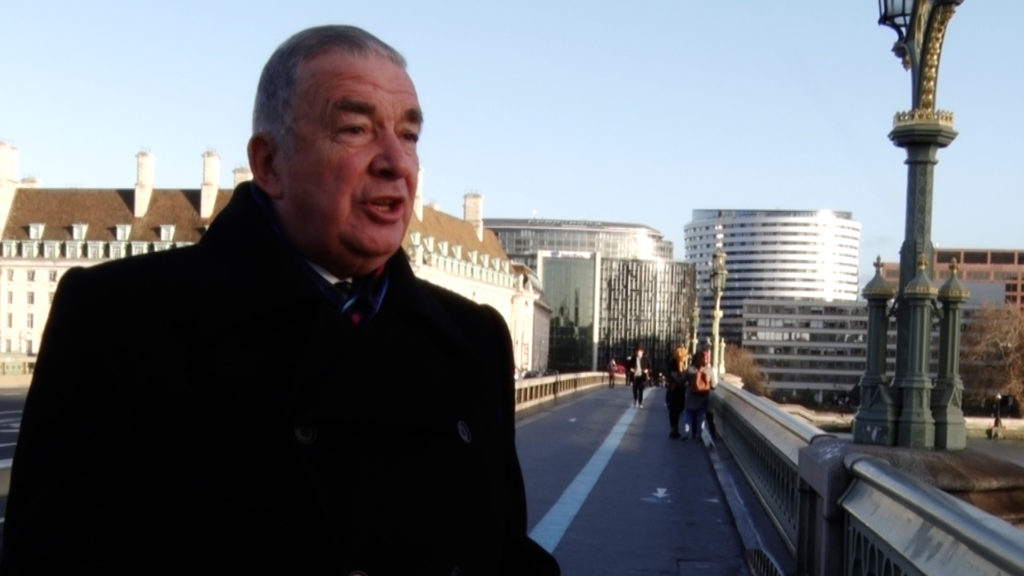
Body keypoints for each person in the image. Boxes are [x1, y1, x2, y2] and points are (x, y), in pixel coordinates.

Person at [0, 25, 560, 575]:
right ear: (269, 165)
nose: (398, 162)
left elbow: (501, 550)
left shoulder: (473, 340)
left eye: (409, 135)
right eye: (356, 129)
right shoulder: (118, 319)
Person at [682, 348, 716, 441]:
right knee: (700, 416)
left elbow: (683, 380)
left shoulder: (690, 369)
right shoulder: (709, 370)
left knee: (688, 415)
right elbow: (713, 385)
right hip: (703, 396)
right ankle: (699, 434)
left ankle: (687, 432)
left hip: (691, 395)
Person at [665, 346, 689, 439]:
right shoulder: (675, 364)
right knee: (676, 410)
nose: (686, 357)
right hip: (676, 390)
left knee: (675, 410)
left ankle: (674, 429)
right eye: (685, 355)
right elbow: (678, 377)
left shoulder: (681, 364)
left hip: (675, 390)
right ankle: (674, 429)